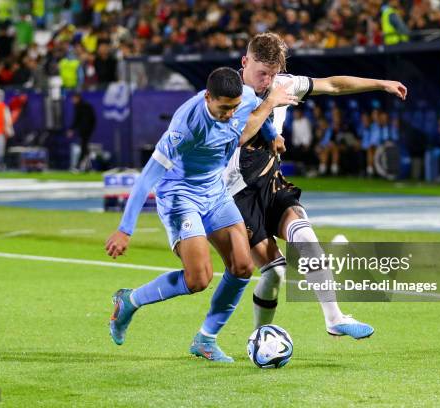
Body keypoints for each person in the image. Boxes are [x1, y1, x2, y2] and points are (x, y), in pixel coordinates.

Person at [105, 67, 297, 362]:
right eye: (222, 109)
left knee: (243, 266)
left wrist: (272, 135)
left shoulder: (242, 97)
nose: (229, 115)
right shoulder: (186, 125)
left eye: (233, 109)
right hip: (181, 197)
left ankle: (205, 340)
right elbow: (146, 179)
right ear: (208, 97)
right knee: (198, 279)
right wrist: (125, 229)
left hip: (215, 192)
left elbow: (259, 112)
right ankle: (129, 301)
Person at [224, 32, 407, 337]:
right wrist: (270, 104)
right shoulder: (226, 91)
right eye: (261, 73)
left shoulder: (281, 84)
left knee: (303, 233)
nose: (268, 81)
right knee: (275, 273)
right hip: (235, 194)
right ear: (245, 62)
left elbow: (333, 84)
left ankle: (334, 318)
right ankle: (259, 336)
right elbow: (240, 136)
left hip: (270, 180)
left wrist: (381, 83)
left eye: (273, 74)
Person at [68, 93, 96, 172]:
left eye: (74, 98)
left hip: (85, 131)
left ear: (78, 98)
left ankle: (78, 166)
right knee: (85, 148)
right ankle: (88, 167)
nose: (72, 100)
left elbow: (78, 120)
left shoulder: (83, 107)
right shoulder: (81, 106)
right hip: (85, 130)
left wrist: (72, 129)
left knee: (84, 148)